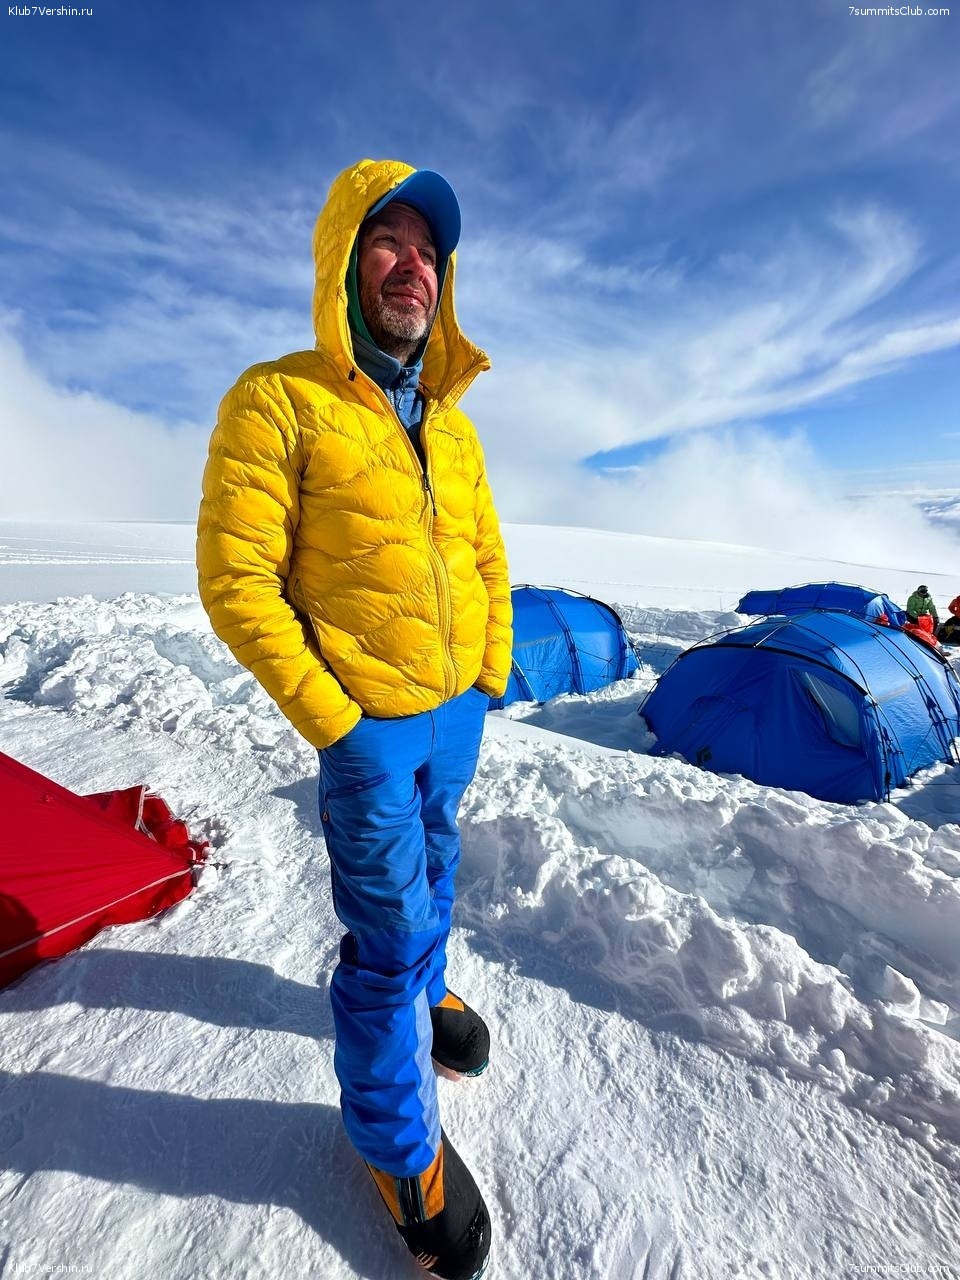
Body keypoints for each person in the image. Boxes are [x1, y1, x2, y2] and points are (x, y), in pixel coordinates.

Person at [197, 159, 512, 1280]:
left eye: (429, 251)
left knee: (438, 865)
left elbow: (486, 554)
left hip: (454, 715)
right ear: (344, 261)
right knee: (383, 935)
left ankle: (431, 991)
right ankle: (397, 1150)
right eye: (389, 240)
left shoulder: (453, 426)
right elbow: (237, 579)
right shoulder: (278, 399)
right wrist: (338, 720)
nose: (412, 264)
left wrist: (489, 672)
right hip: (368, 730)